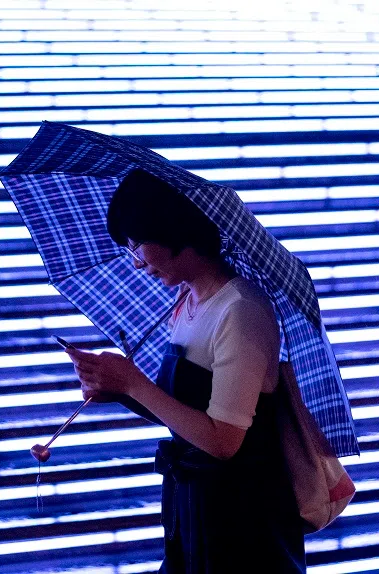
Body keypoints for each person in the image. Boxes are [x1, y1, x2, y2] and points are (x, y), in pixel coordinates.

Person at [66, 169, 305, 573]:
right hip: (193, 506)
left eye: (137, 243)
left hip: (241, 519)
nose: (136, 262)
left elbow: (223, 441)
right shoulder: (186, 300)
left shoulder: (241, 310)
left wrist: (134, 383)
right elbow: (183, 412)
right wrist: (118, 390)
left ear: (173, 228)